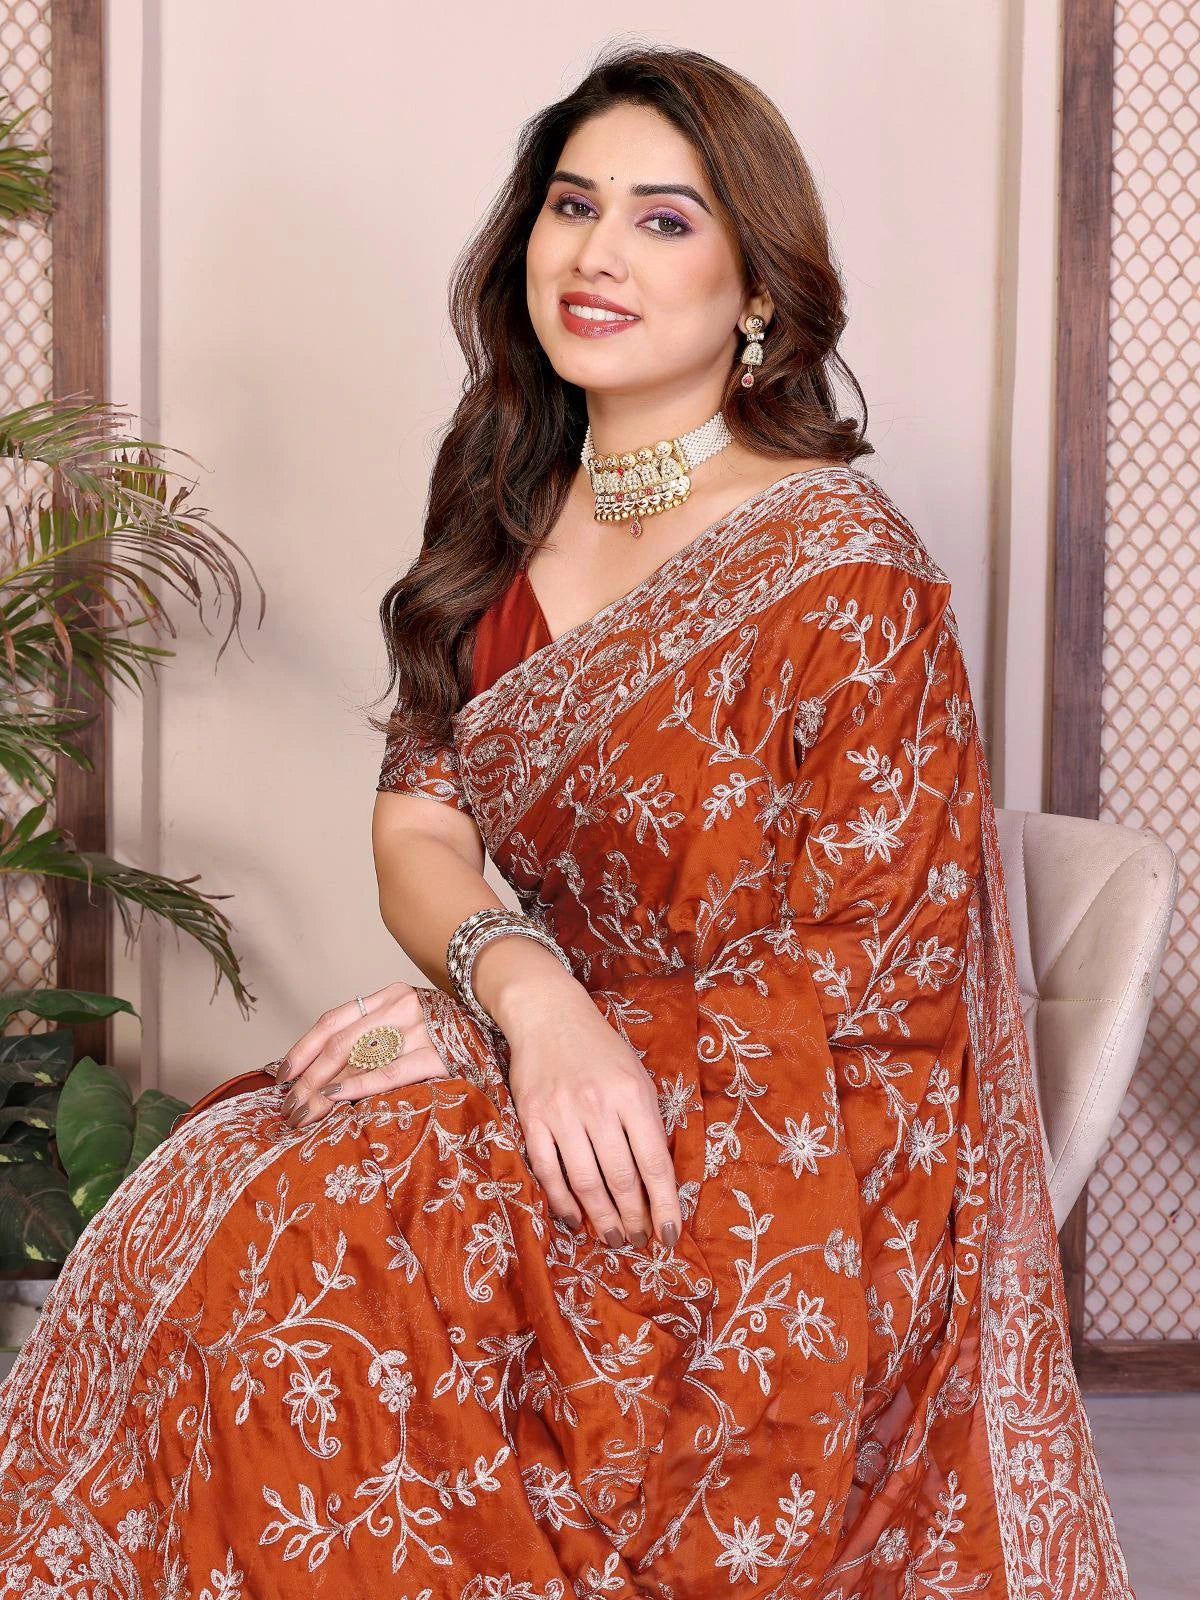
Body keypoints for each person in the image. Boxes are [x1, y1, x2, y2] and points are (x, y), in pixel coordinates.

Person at [0, 42, 1135, 1600]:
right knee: (208, 1187)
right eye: (571, 205)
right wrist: (517, 1000)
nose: (597, 252)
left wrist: (571, 1043)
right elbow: (420, 818)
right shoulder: (507, 495)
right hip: (549, 1058)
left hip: (769, 1135)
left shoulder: (844, 572)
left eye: (665, 221)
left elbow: (882, 983)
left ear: (759, 290)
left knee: (329, 1246)